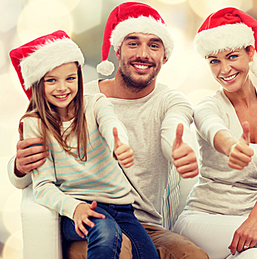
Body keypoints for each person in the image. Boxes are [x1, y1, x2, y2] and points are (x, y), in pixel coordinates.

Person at [8, 2, 208, 259]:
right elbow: (25, 177)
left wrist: (177, 149)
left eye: (154, 45)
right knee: (117, 247)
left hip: (142, 224)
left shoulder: (171, 101)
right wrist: (20, 165)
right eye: (133, 43)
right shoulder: (76, 96)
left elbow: (173, 128)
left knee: (193, 255)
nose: (143, 54)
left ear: (165, 56)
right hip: (87, 219)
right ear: (117, 49)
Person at [9, 30, 159, 259]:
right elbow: (43, 186)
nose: (62, 88)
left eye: (70, 78)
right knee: (105, 233)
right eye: (51, 80)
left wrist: (119, 143)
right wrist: (74, 208)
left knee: (148, 255)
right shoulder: (35, 123)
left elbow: (111, 124)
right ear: (38, 84)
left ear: (79, 77)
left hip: (122, 208)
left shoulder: (96, 103)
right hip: (78, 206)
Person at [173, 7, 257, 259]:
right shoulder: (207, 106)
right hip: (203, 220)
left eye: (232, 56)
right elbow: (213, 129)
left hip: (250, 224)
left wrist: (256, 219)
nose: (224, 69)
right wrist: (231, 146)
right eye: (214, 61)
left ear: (250, 53)